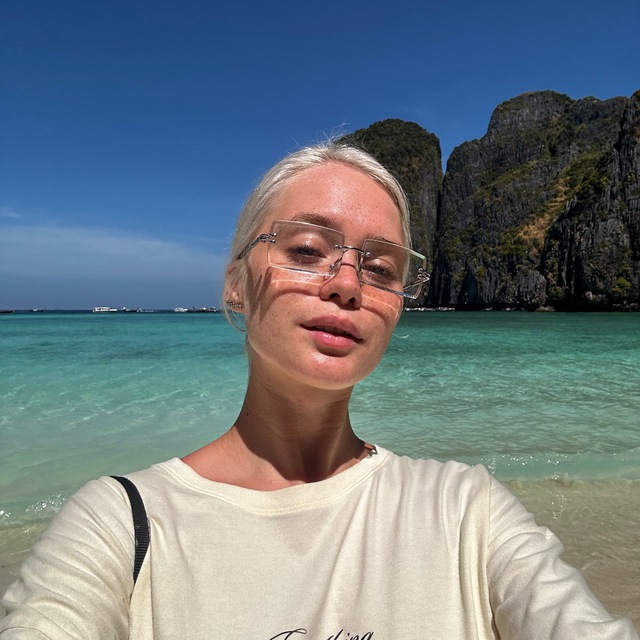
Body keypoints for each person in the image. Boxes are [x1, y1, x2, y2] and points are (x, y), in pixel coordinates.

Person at [1, 143, 637, 640]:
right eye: (307, 250)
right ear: (235, 283)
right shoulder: (120, 523)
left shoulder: (466, 509)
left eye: (381, 268)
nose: (347, 285)